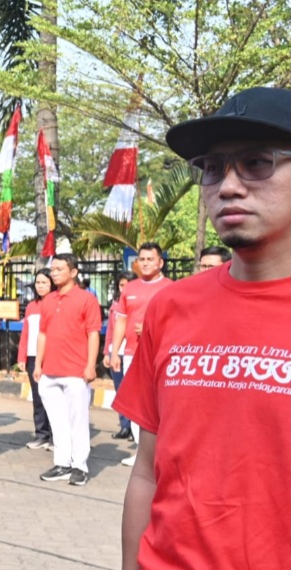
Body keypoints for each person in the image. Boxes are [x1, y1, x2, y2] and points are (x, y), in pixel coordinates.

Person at [115, 86, 291, 569]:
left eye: (257, 162)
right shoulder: (172, 306)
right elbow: (147, 472)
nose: (228, 186)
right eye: (213, 168)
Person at [34, 254, 101, 487]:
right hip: (50, 371)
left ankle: (79, 466)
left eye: (59, 269)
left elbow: (93, 333)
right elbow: (42, 333)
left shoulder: (86, 299)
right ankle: (62, 462)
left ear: (73, 272)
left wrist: (91, 365)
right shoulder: (48, 300)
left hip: (76, 371)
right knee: (58, 421)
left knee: (78, 420)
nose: (54, 273)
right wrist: (38, 364)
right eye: (52, 269)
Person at [109, 242, 173, 467]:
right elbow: (121, 321)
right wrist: (115, 352)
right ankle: (142, 452)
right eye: (142, 260)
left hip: (161, 355)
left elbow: (177, 323)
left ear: (160, 262)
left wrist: (150, 328)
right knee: (137, 404)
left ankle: (162, 453)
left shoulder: (171, 288)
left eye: (150, 259)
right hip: (132, 353)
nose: (145, 263)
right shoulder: (130, 288)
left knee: (160, 403)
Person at [17, 268, 56, 451]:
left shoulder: (57, 303)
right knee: (38, 396)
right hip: (33, 357)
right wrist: (22, 356)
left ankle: (56, 436)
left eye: (45, 283)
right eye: (38, 283)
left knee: (54, 397)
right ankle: (42, 434)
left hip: (52, 356)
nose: (40, 286)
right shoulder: (31, 306)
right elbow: (25, 333)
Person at [105, 271, 136, 441]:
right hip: (116, 352)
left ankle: (135, 428)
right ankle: (125, 426)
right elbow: (111, 329)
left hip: (132, 352)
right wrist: (108, 353)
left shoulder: (137, 304)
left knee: (134, 392)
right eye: (121, 285)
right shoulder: (115, 305)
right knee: (120, 391)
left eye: (128, 285)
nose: (124, 289)